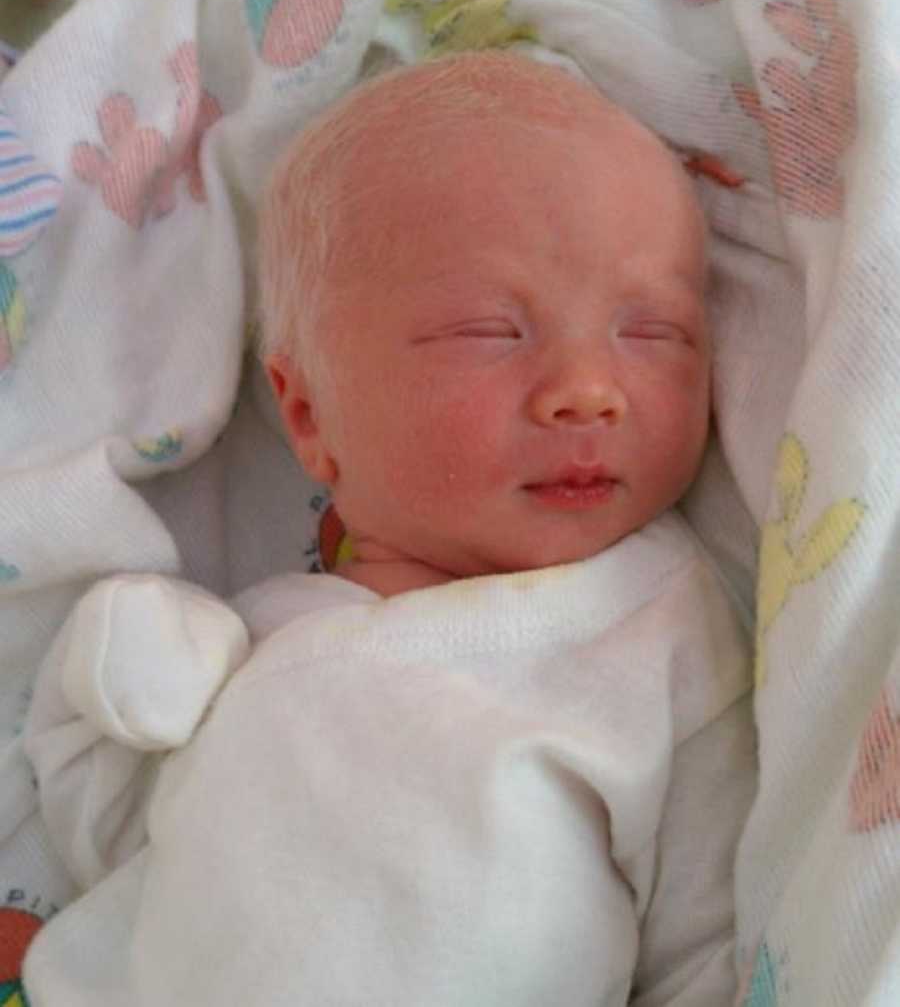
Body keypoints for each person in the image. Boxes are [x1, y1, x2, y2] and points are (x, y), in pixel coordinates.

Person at [23, 51, 755, 1006]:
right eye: (492, 330)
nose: (589, 388)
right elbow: (105, 838)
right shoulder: (256, 646)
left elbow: (711, 942)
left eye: (652, 331)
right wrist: (114, 675)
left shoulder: (660, 634)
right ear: (310, 415)